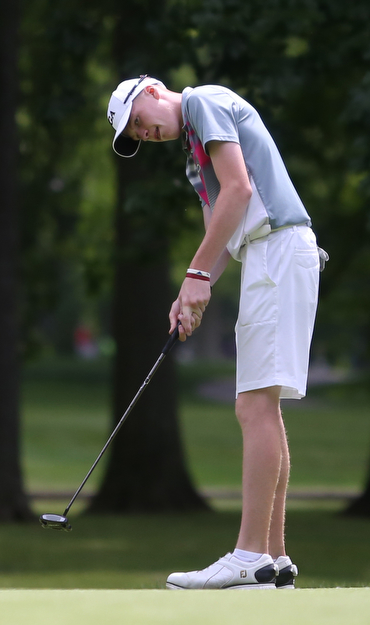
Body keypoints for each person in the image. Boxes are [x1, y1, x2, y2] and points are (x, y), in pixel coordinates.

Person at [107, 75, 326, 590]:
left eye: (140, 120)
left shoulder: (202, 102)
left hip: (277, 250)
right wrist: (190, 295)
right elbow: (221, 237)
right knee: (262, 405)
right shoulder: (192, 158)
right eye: (137, 134)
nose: (145, 132)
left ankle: (248, 556)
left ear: (155, 92)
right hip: (269, 256)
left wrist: (196, 276)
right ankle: (273, 561)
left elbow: (240, 189)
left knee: (253, 406)